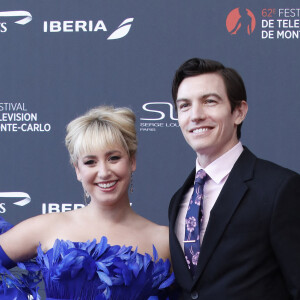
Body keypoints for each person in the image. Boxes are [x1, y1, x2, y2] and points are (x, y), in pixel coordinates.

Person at [0, 106, 174, 299]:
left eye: (113, 158)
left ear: (132, 161)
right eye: (90, 162)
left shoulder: (164, 241)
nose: (104, 172)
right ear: (77, 170)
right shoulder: (46, 227)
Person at [168, 58, 300, 299]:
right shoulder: (179, 199)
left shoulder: (280, 189)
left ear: (239, 111)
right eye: (184, 105)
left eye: (209, 101)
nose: (195, 115)